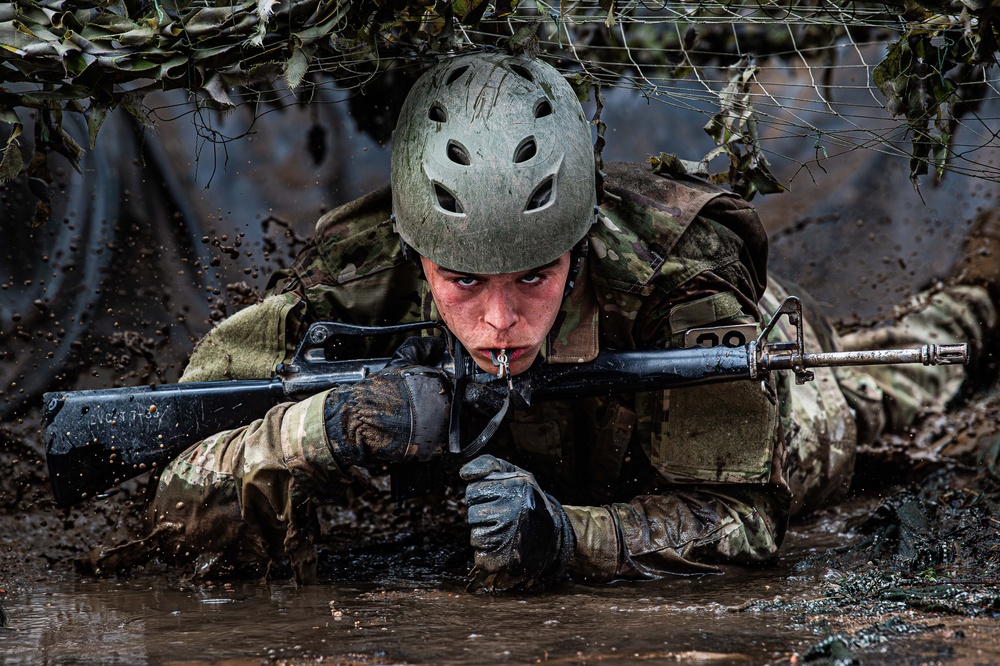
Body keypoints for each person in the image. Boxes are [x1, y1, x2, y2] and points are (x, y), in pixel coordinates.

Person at [91, 51, 998, 591]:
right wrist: (321, 430)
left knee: (870, 392)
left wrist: (571, 537)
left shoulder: (680, 297)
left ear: (580, 243)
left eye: (535, 277)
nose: (496, 323)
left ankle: (977, 299)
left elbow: (742, 522)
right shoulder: (350, 290)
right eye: (461, 282)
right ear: (415, 255)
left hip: (747, 374)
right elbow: (168, 500)